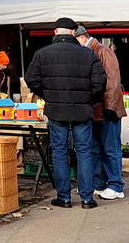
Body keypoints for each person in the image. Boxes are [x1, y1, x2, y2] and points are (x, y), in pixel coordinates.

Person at [24, 17, 107, 209]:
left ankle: (64, 197)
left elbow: (31, 80)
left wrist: (49, 95)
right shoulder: (88, 54)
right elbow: (100, 83)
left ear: (55, 33)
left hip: (56, 109)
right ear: (73, 32)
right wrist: (88, 98)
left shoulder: (41, 54)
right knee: (85, 152)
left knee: (59, 153)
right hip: (82, 110)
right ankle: (87, 197)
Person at [76, 26, 127, 200]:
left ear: (82, 39)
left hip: (106, 109)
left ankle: (116, 185)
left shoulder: (102, 51)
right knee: (96, 148)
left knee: (110, 148)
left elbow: (112, 81)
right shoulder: (94, 51)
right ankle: (99, 183)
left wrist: (110, 107)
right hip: (96, 110)